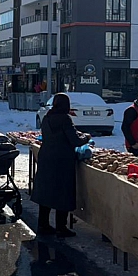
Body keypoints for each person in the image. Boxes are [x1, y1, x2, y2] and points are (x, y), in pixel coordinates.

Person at [31, 93, 91, 237]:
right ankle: (60, 227)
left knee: (46, 191)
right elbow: (75, 140)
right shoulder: (65, 119)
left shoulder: (47, 117)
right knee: (63, 192)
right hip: (62, 160)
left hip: (46, 157)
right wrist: (87, 137)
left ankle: (43, 224)